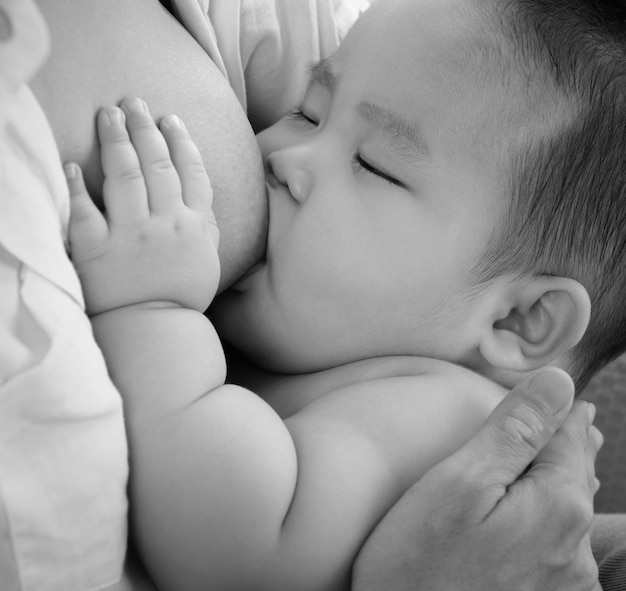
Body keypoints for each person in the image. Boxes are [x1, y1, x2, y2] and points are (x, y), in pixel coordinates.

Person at [62, 0, 626, 588]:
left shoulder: (455, 421)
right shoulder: (333, 349)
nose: (284, 157)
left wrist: (152, 311)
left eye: (373, 164)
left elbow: (241, 548)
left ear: (519, 320)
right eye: (309, 112)